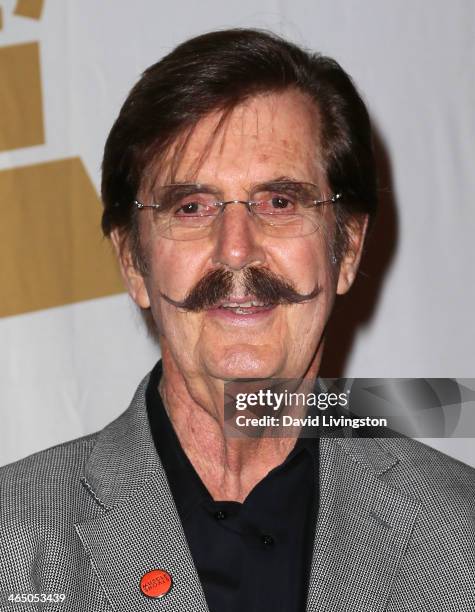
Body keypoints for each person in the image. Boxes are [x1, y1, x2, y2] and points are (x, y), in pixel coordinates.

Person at [0, 29, 473, 612]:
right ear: (133, 261)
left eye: (279, 202)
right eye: (191, 207)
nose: (235, 250)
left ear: (346, 249)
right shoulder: (11, 537)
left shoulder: (460, 531)